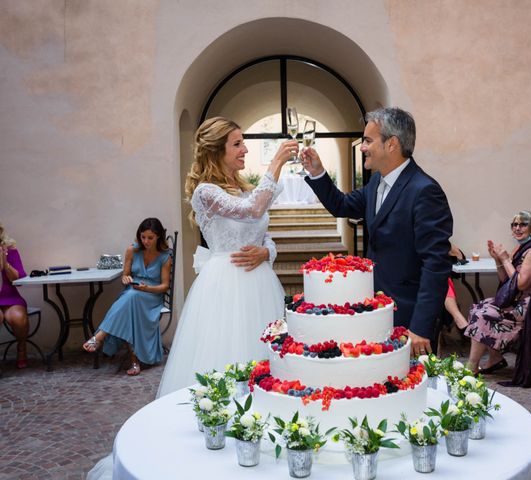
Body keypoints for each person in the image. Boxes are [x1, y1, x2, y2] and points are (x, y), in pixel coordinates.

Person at [156, 117, 296, 397]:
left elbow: (262, 231)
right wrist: (276, 162)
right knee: (226, 356)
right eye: (237, 144)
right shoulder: (206, 192)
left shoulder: (246, 189)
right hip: (225, 285)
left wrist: (267, 251)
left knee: (266, 359)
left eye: (243, 143)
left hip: (260, 284)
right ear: (217, 150)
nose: (244, 149)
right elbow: (252, 210)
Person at [301, 107, 453, 356]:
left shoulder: (424, 191)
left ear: (392, 144)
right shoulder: (375, 183)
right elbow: (342, 205)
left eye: (368, 141)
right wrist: (317, 172)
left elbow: (435, 264)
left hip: (409, 316)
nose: (362, 147)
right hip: (378, 309)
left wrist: (421, 327)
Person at [465, 211, 531, 387]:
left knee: (482, 314)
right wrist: (498, 259)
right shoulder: (521, 247)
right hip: (517, 300)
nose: (517, 228)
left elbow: (520, 284)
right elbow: (506, 280)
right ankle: (495, 358)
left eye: (523, 224)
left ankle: (471, 367)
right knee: (477, 307)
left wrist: (504, 258)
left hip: (527, 306)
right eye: (514, 225)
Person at [82, 218, 172, 376]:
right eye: (143, 237)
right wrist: (126, 279)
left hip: (152, 296)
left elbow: (164, 286)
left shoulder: (165, 256)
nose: (146, 241)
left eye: (150, 238)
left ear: (158, 237)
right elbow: (125, 275)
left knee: (131, 298)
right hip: (133, 293)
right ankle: (134, 360)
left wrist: (148, 288)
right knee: (131, 298)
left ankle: (100, 336)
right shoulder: (132, 250)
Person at [0, 223, 29, 368]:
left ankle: (22, 348)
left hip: (9, 297)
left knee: (18, 318)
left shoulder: (9, 249)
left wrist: (5, 264)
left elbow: (19, 280)